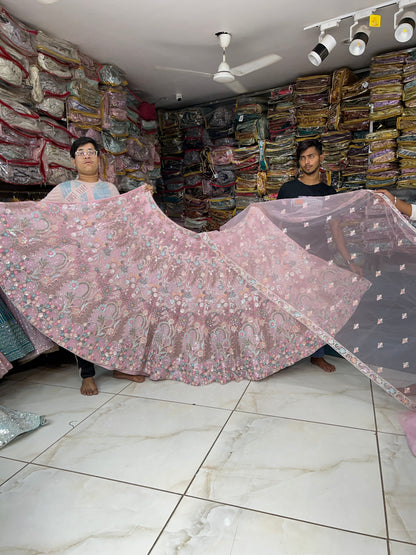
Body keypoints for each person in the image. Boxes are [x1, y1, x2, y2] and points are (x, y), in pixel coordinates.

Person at [43, 136, 146, 395]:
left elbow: (122, 221)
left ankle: (120, 366)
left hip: (110, 264)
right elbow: (40, 217)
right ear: (74, 160)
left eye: (91, 151)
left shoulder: (110, 189)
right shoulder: (64, 190)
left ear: (99, 157)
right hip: (78, 266)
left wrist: (141, 198)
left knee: (117, 314)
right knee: (82, 317)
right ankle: (87, 374)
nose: (87, 156)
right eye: (81, 152)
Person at [277, 138, 359, 373]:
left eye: (311, 156)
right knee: (289, 306)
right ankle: (286, 353)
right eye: (302, 158)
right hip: (293, 256)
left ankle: (317, 354)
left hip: (320, 257)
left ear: (321, 158)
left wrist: (350, 261)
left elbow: (336, 229)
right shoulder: (288, 189)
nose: (306, 162)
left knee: (319, 307)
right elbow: (277, 221)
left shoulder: (328, 193)